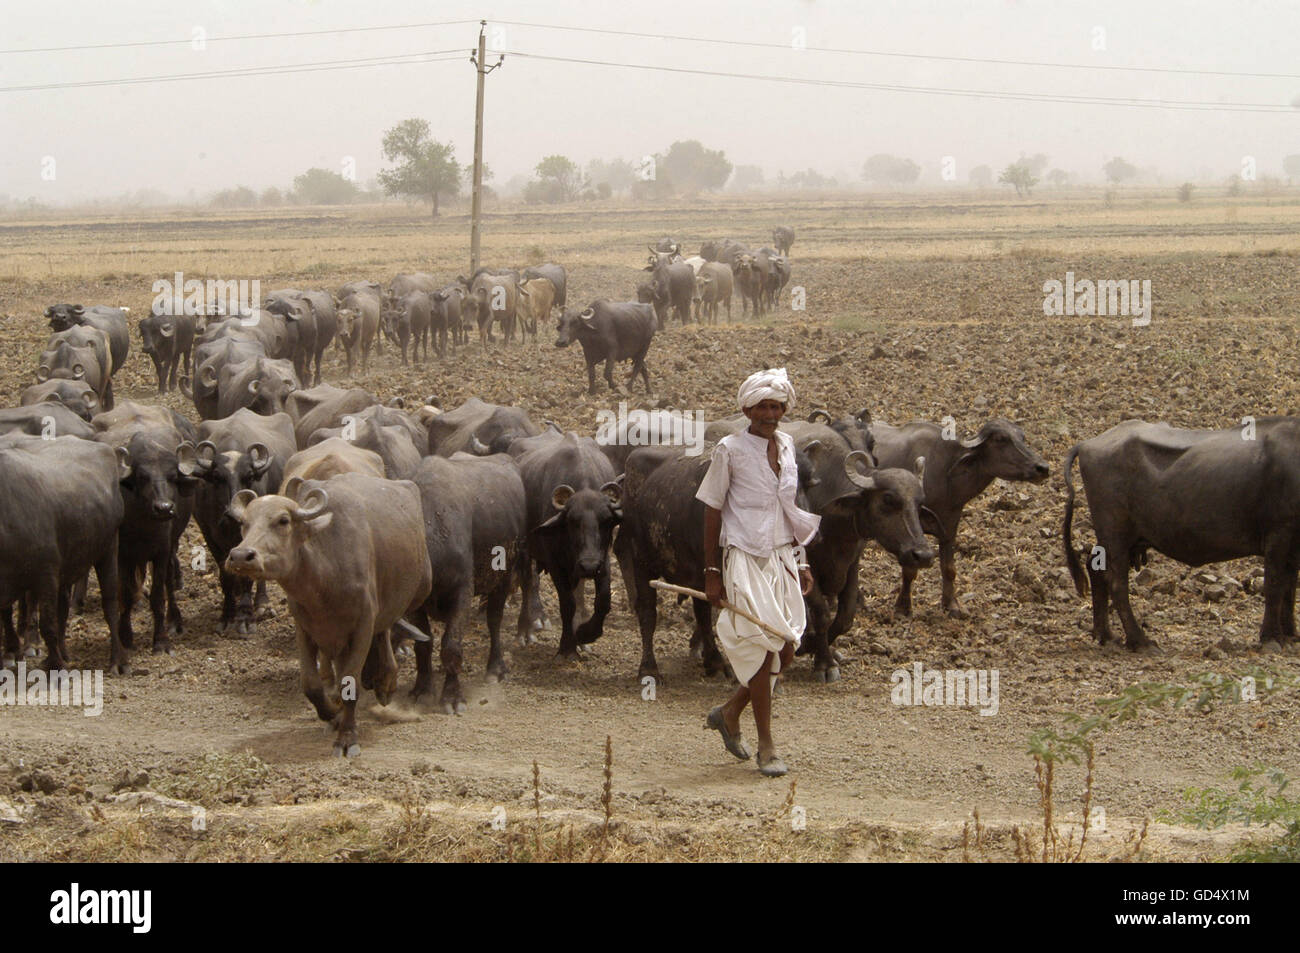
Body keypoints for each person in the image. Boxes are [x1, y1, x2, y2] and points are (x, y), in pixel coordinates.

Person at [695, 368, 820, 777]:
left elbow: (789, 505)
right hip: (743, 555)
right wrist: (712, 571)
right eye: (763, 406)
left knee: (787, 647)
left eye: (776, 406)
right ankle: (767, 746)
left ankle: (730, 712)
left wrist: (801, 559)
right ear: (747, 408)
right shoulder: (729, 450)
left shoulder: (786, 445)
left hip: (781, 554)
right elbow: (712, 509)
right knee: (765, 649)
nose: (770, 413)